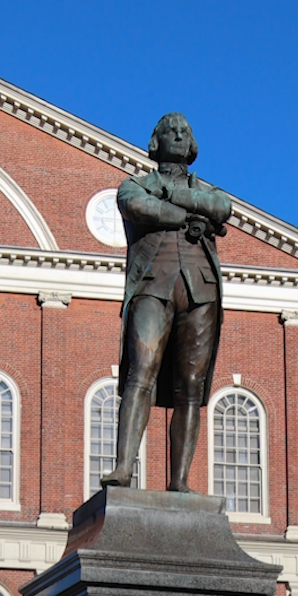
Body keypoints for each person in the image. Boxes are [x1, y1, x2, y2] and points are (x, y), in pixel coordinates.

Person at [100, 113, 232, 493]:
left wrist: (178, 198)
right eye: (169, 131)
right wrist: (189, 216)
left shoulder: (212, 193)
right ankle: (123, 469)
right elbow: (135, 206)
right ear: (155, 142)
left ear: (192, 145)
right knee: (140, 372)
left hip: (200, 291)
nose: (177, 135)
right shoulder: (135, 186)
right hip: (153, 286)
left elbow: (222, 209)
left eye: (184, 131)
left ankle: (180, 482)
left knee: (191, 385)